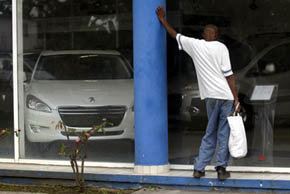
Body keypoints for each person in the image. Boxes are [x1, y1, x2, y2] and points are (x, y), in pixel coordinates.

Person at [156, 6, 240, 180]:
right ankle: (221, 169)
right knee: (223, 132)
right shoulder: (222, 48)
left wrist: (162, 19)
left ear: (204, 35)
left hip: (211, 97)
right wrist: (236, 98)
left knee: (210, 131)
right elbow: (229, 75)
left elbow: (174, 35)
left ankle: (199, 168)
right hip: (225, 96)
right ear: (216, 35)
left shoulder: (195, 45)